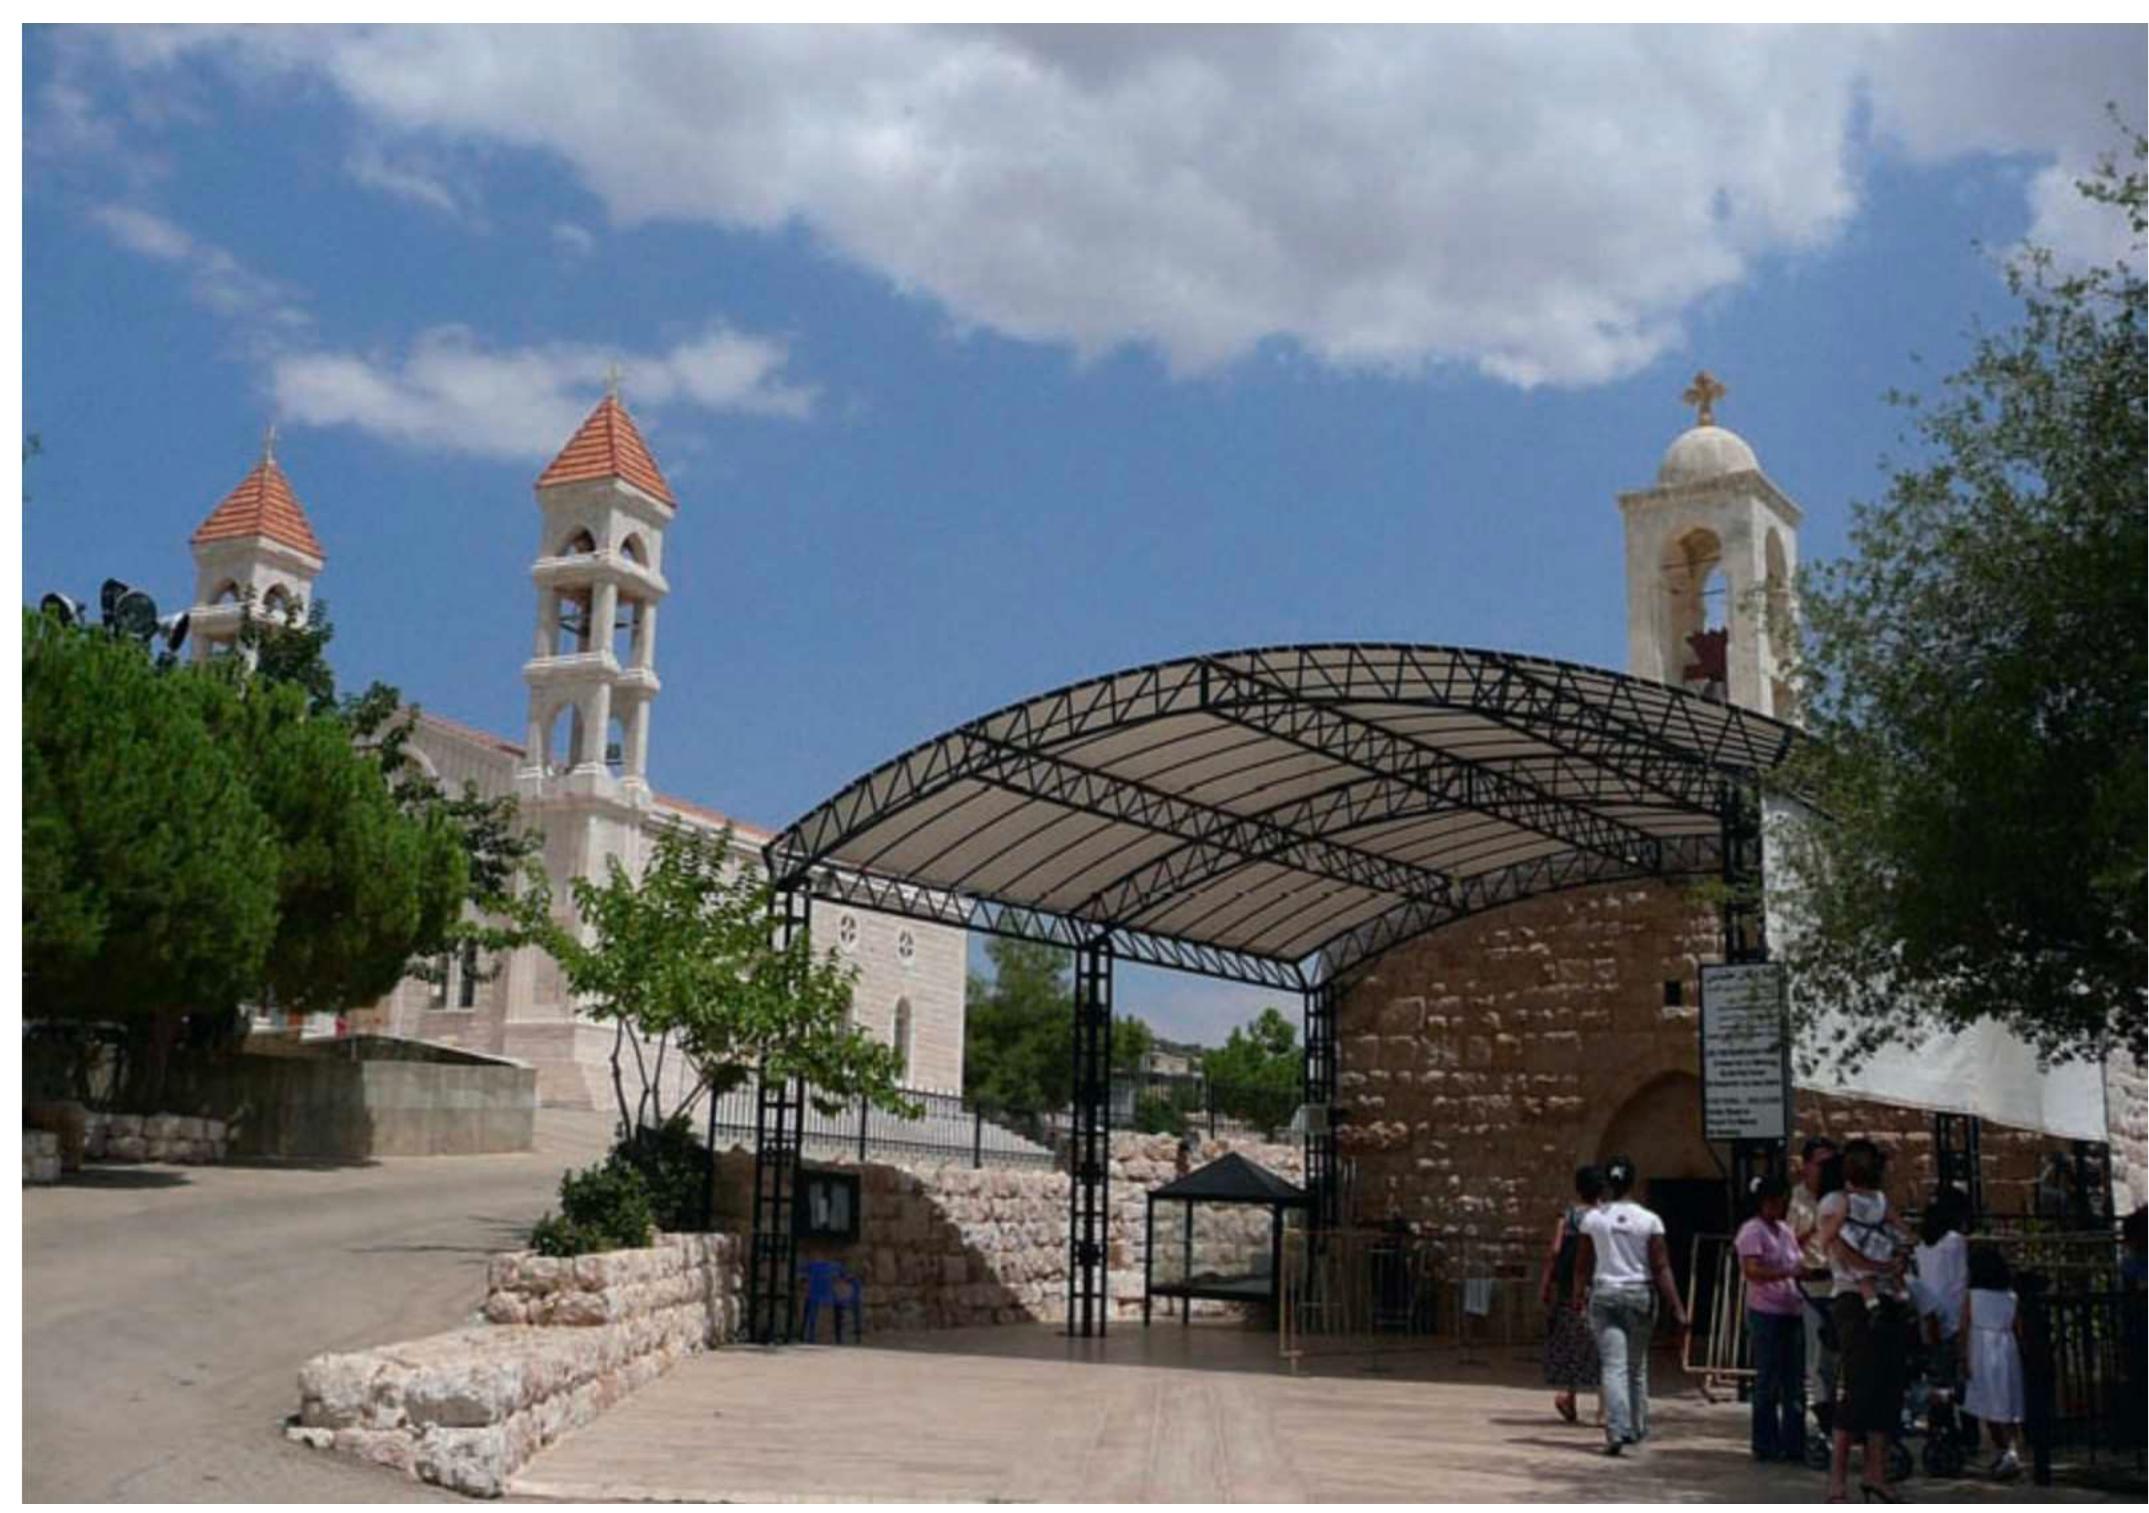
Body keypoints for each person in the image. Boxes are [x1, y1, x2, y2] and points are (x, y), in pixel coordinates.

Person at [1570, 1155, 1691, 1457]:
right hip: (1639, 1294)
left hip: (1605, 1293)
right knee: (1636, 1367)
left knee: (1613, 1366)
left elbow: (1582, 1265)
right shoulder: (1649, 1220)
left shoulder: (1593, 1219)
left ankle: (1616, 1430)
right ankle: (1636, 1427)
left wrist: (1577, 1296)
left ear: (1607, 1184)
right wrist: (1677, 1307)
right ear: (1632, 1182)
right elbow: (1661, 1266)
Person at [1818, 1138, 1912, 1502]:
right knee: (1858, 1387)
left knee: (1886, 1387)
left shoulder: (1880, 1202)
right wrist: (1873, 1265)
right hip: (1853, 1299)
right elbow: (1833, 1244)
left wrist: (1897, 1258)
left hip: (1884, 1296)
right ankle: (1837, 1480)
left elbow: (1904, 1233)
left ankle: (1876, 1472)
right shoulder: (1836, 1202)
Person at [1735, 1173, 1806, 1462]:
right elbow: (1752, 1270)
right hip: (1766, 1311)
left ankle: (1794, 1441)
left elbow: (1797, 1260)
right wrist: (1784, 1273)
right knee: (1768, 1378)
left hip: (1792, 1309)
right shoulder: (1752, 1231)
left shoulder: (1785, 1231)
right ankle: (1765, 1441)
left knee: (1794, 1380)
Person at [1538, 1164, 1605, 1424]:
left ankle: (1570, 1395)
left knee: (1570, 1339)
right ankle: (1604, 1406)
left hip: (1569, 1287)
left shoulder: (1568, 1216)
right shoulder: (1605, 1215)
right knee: (1601, 1341)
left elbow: (1555, 1250)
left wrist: (1546, 1282)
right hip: (1599, 1283)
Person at [1910, 1187, 1973, 1449]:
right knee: (1964, 1378)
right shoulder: (1955, 1242)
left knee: (1939, 1376)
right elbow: (1961, 1280)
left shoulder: (1922, 1246)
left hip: (1931, 1313)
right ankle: (1966, 1432)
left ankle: (1941, 1429)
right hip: (1955, 1316)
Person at [1960, 1244, 2025, 1480]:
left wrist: (1963, 1356)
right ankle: (2010, 1449)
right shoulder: (2011, 1297)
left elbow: (1964, 1327)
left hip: (1981, 1348)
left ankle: (2003, 1449)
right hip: (2006, 1347)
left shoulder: (1972, 1296)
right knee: (2007, 1400)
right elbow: (2018, 1328)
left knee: (1987, 1402)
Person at [1789, 1136, 1841, 1434]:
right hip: (1810, 1287)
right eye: (1822, 1164)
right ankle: (1821, 1423)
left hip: (1840, 1285)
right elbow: (1785, 1244)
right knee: (1817, 1360)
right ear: (1807, 1165)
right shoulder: (1796, 1200)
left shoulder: (1841, 1198)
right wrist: (1813, 1229)